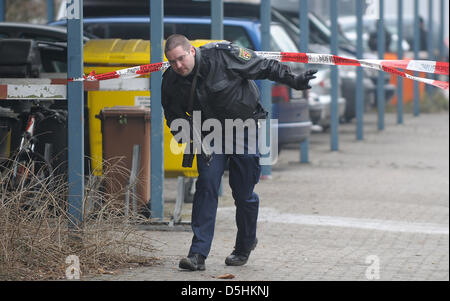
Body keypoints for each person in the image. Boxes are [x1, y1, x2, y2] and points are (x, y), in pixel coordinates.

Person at [161, 34, 317, 271]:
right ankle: (197, 254)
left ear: (191, 51)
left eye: (181, 59)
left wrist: (293, 80)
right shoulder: (171, 80)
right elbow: (172, 114)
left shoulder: (224, 56)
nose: (178, 66)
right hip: (209, 134)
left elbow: (264, 66)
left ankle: (244, 245)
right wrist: (190, 139)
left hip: (243, 128)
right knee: (207, 186)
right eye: (172, 62)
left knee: (243, 193)